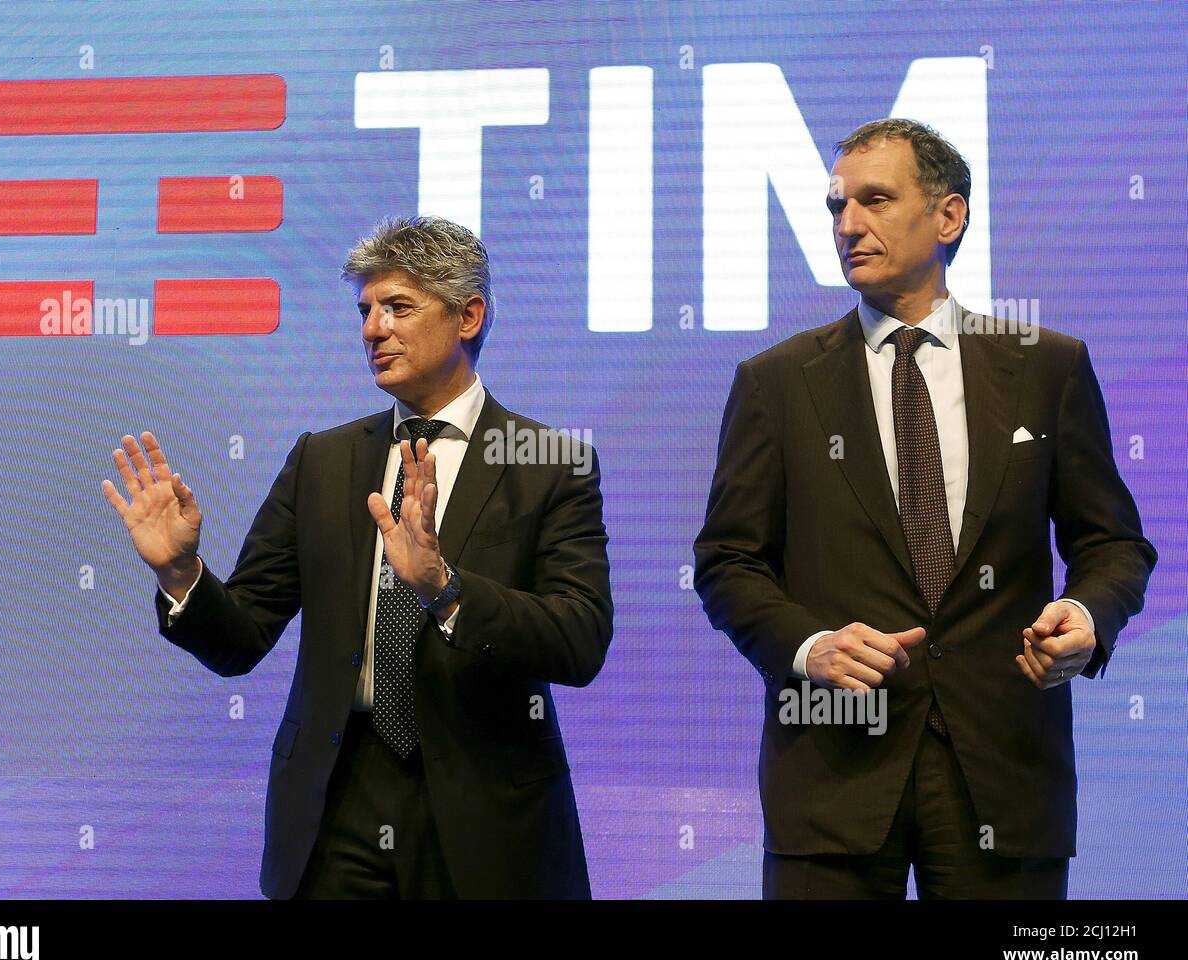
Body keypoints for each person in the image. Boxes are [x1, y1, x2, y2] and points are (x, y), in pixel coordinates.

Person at [694, 118, 1155, 899]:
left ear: (949, 216)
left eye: (875, 199)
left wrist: (1086, 612)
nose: (847, 225)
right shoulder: (775, 382)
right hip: (833, 778)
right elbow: (727, 563)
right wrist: (810, 647)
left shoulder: (1048, 366)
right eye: (837, 205)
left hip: (1005, 776)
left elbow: (1114, 543)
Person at [103, 215, 612, 899]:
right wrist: (180, 573)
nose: (373, 328)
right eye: (365, 310)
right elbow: (243, 636)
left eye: (398, 306)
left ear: (469, 315)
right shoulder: (324, 460)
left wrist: (445, 588)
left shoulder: (549, 463)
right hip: (335, 807)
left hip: (485, 811)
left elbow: (578, 640)